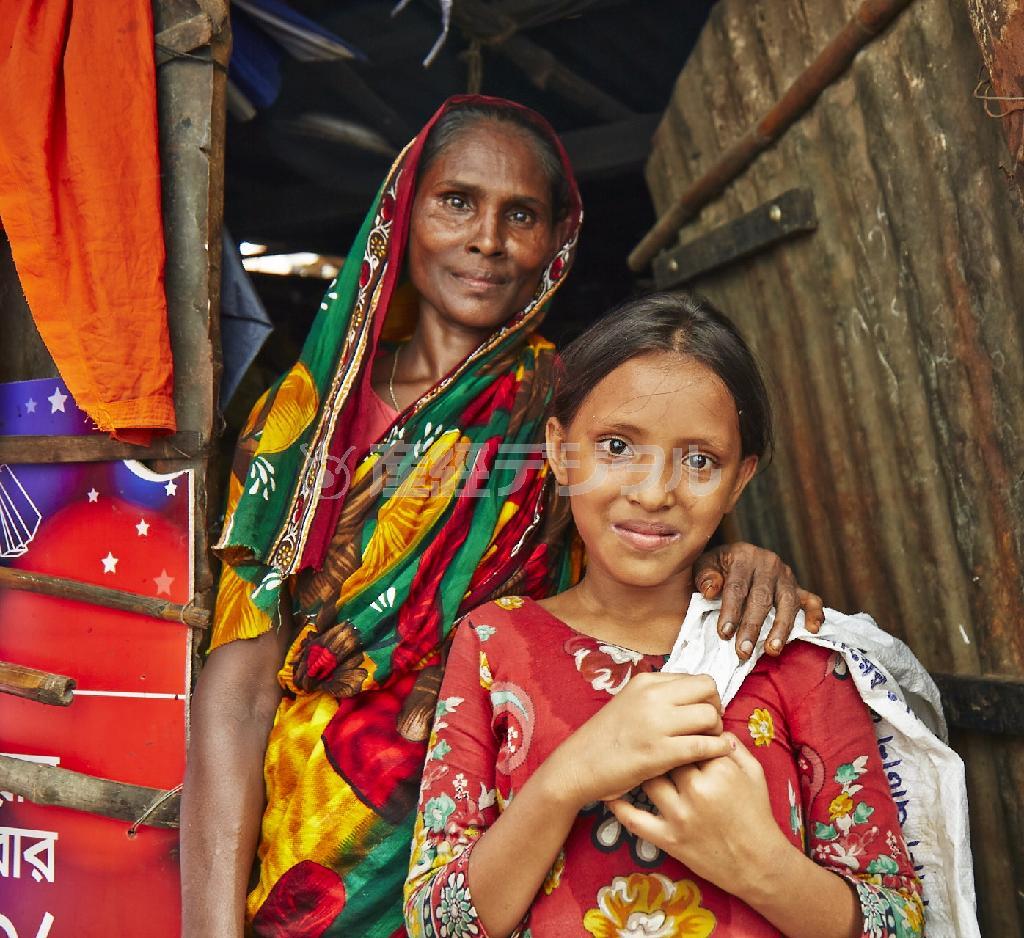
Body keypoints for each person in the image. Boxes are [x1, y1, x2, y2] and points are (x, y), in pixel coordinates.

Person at [180, 98, 824, 937]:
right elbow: (237, 691)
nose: (487, 239)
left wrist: (743, 563)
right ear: (403, 214)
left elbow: (651, 545)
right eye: (457, 202)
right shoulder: (298, 416)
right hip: (321, 848)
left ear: (556, 239)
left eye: (520, 214)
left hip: (513, 829)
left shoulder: (578, 410)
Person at [404, 292, 924, 938]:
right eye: (617, 446)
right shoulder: (493, 643)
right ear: (562, 452)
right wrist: (567, 776)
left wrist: (759, 865)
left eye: (700, 460)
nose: (654, 492)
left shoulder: (793, 653)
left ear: (740, 480)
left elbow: (899, 924)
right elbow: (438, 924)